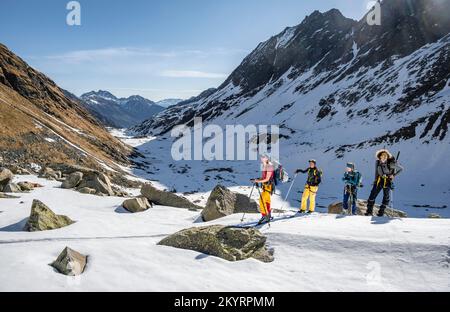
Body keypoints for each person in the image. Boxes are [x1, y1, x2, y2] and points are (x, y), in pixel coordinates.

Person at [366, 149, 403, 217]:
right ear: (379, 157)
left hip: (388, 181)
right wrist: (375, 180)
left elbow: (401, 169)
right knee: (372, 196)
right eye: (381, 156)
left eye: (385, 156)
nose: (383, 158)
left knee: (386, 198)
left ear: (387, 157)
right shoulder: (378, 163)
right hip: (379, 181)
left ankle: (381, 213)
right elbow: (377, 172)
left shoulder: (391, 164)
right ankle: (369, 212)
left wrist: (393, 175)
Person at [252, 155, 275, 225]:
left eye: (263, 158)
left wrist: (258, 181)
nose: (262, 159)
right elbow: (263, 177)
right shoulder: (265, 166)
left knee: (261, 200)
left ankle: (265, 216)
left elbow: (267, 179)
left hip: (268, 186)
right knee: (267, 200)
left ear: (267, 158)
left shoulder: (269, 166)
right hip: (266, 186)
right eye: (261, 158)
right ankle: (268, 214)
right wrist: (257, 179)